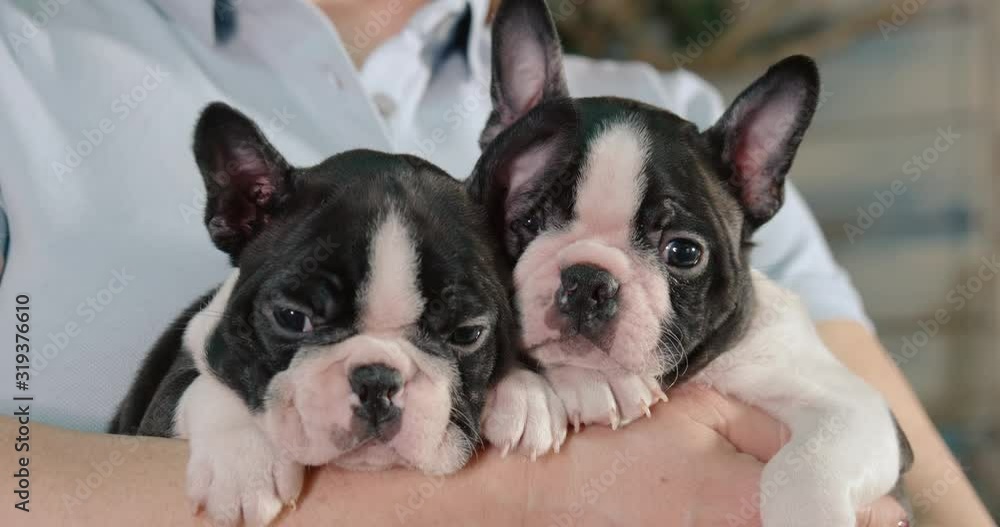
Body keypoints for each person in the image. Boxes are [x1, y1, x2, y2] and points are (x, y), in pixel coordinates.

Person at [0, 0, 992, 525]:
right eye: (536, 221)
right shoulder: (25, 53)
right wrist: (518, 499)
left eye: (677, 248)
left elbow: (917, 480)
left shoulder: (668, 114)